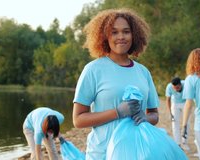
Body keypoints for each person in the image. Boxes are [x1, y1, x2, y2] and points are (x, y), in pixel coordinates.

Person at [72, 8, 160, 160]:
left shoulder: (143, 72)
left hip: (139, 153)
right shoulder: (93, 70)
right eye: (114, 32)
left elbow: (154, 114)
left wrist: (145, 118)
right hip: (102, 154)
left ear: (134, 35)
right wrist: (117, 112)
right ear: (105, 36)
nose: (121, 37)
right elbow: (78, 119)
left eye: (126, 31)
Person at [165, 77, 190, 150]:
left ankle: (184, 142)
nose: (176, 89)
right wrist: (170, 113)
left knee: (187, 123)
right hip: (175, 103)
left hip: (185, 103)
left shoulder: (186, 84)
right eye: (174, 88)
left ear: (180, 84)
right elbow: (168, 100)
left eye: (178, 87)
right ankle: (177, 144)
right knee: (175, 123)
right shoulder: (169, 87)